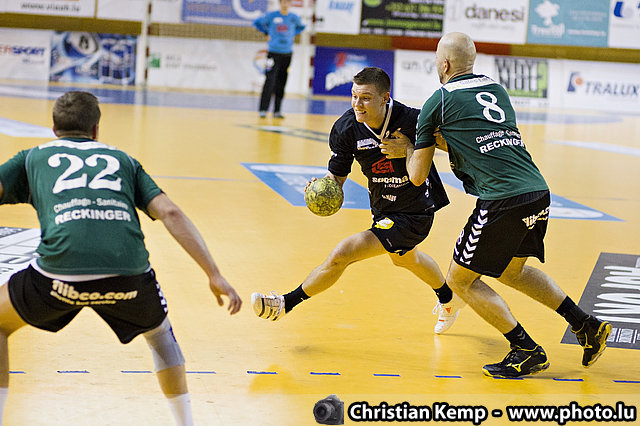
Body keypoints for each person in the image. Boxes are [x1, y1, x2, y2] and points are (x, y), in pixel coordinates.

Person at [0, 91, 242, 425]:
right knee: (161, 336)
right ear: (96, 129)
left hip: (59, 276)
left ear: (54, 129)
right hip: (129, 275)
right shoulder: (123, 160)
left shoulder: (32, 158)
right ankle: (185, 422)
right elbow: (171, 213)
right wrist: (214, 274)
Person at [381, 32, 611, 378]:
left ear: (444, 64)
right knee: (511, 271)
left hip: (502, 199)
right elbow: (480, 145)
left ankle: (525, 349)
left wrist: (409, 149)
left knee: (460, 281)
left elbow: (417, 176)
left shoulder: (437, 101)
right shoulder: (496, 90)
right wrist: (440, 144)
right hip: (537, 191)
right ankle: (585, 325)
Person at [251, 67, 465, 334]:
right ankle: (449, 299)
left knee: (342, 254)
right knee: (406, 259)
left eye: (365, 98)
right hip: (383, 207)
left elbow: (454, 145)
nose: (357, 104)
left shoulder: (412, 119)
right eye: (354, 96)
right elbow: (336, 178)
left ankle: (285, 304)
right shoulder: (346, 128)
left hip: (416, 211)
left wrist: (411, 147)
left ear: (385, 98)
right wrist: (322, 190)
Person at [253, 0, 305, 119]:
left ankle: (277, 110)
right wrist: (266, 32)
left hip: (287, 54)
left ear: (290, 4)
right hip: (273, 53)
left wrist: (292, 34)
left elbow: (301, 27)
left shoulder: (293, 17)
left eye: (287, 2)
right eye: (283, 2)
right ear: (280, 3)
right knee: (269, 80)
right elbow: (257, 22)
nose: (285, 5)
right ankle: (263, 109)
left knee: (281, 82)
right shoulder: (272, 16)